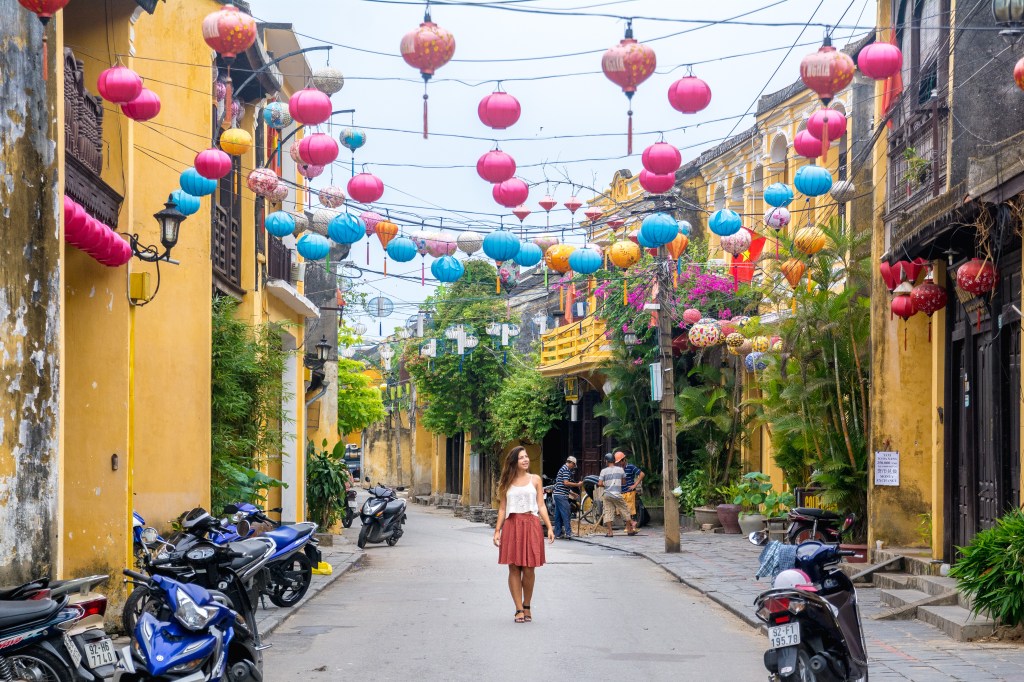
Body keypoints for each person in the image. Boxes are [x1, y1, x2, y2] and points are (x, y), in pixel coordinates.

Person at [493, 446, 555, 623]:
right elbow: (503, 508)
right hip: (512, 525)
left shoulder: (535, 479)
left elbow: (541, 505)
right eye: (521, 457)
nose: (526, 459)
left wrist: (549, 527)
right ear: (514, 461)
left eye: (526, 456)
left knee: (529, 568)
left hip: (531, 524)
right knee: (513, 567)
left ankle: (527, 605)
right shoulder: (506, 482)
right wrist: (497, 530)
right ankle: (518, 608)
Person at [597, 453, 636, 536]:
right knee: (625, 510)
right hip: (617, 494)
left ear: (607, 461)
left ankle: (610, 532)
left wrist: (606, 485)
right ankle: (629, 530)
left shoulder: (603, 471)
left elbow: (599, 483)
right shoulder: (620, 470)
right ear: (614, 461)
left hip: (607, 494)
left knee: (608, 512)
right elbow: (624, 482)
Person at [552, 455, 583, 539]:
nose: (573, 467)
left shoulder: (563, 468)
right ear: (571, 463)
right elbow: (566, 483)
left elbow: (561, 484)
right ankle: (568, 533)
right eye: (573, 465)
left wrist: (572, 493)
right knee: (566, 513)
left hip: (557, 494)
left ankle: (558, 533)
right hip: (561, 495)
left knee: (558, 515)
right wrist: (577, 484)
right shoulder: (566, 469)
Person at [615, 450, 645, 528]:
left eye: (620, 462)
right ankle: (630, 525)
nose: (619, 464)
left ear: (624, 460)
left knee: (630, 510)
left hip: (629, 492)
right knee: (620, 510)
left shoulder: (631, 467)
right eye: (618, 462)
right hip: (621, 492)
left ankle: (631, 527)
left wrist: (635, 485)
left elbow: (642, 474)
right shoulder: (618, 469)